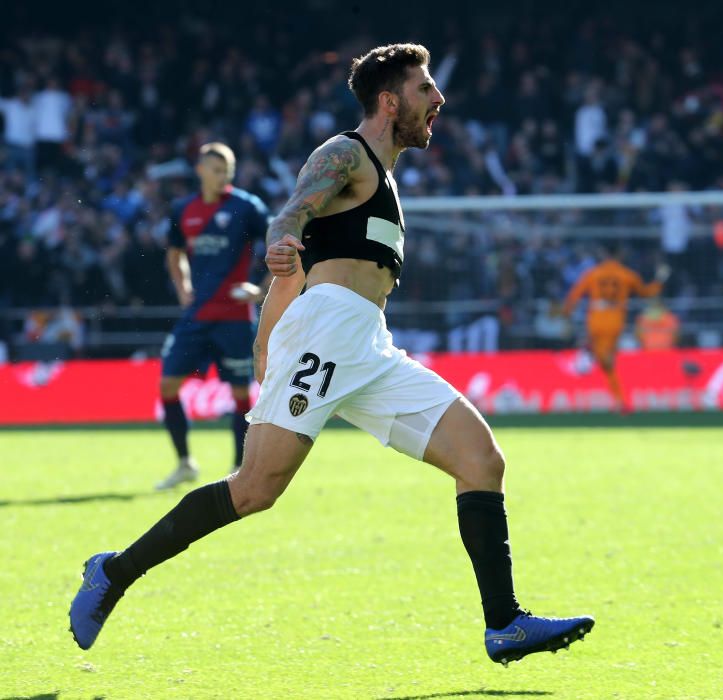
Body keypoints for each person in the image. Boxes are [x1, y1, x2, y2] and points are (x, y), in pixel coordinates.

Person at [69, 44, 593, 666]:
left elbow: (306, 266)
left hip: (366, 342)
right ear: (390, 100)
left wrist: (266, 333)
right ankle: (114, 572)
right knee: (255, 489)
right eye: (427, 89)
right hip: (324, 336)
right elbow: (292, 218)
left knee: (482, 459)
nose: (439, 100)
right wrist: (280, 246)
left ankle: (503, 623)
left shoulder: (388, 178)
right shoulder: (345, 154)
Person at [155, 142, 269, 489]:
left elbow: (283, 246)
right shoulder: (183, 208)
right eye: (217, 170)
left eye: (228, 171)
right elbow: (174, 255)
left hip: (235, 316)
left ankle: (239, 469)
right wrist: (183, 287)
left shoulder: (247, 208)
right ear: (201, 170)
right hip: (197, 314)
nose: (223, 177)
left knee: (239, 394)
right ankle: (185, 463)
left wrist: (260, 289)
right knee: (167, 386)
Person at [563, 244, 669, 411]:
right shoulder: (627, 274)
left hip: (596, 318)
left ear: (604, 254)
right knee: (607, 361)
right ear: (620, 255)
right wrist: (660, 280)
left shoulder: (593, 273)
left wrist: (567, 314)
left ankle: (587, 355)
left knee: (605, 360)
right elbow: (646, 292)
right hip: (615, 320)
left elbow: (574, 295)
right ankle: (617, 397)